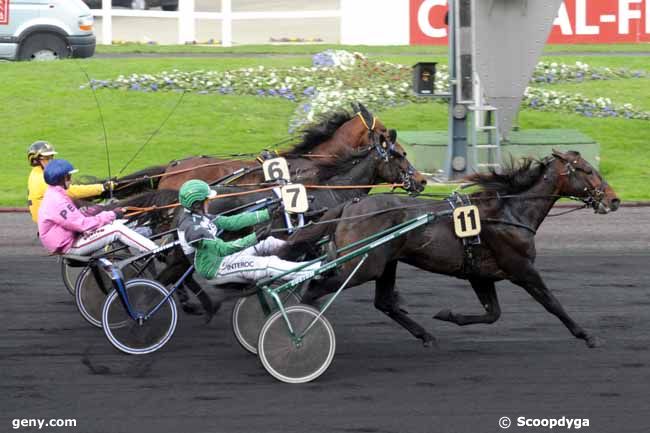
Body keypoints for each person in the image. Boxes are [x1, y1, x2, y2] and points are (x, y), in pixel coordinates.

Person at [176, 179, 321, 285]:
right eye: (207, 200)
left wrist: (267, 214)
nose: (210, 202)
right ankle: (317, 270)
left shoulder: (199, 216)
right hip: (216, 269)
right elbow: (223, 249)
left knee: (269, 242)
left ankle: (305, 254)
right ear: (196, 204)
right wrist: (254, 238)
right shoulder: (192, 229)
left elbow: (230, 222)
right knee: (268, 264)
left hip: (223, 259)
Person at [37, 159, 157, 256]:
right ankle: (154, 250)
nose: (71, 179)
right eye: (68, 177)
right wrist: (112, 214)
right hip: (69, 246)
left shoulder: (56, 194)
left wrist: (99, 210)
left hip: (70, 238)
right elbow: (82, 225)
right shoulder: (57, 200)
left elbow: (75, 217)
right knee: (116, 229)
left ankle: (145, 245)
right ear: (60, 179)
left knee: (120, 222)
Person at [27, 141, 111, 224]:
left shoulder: (39, 173)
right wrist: (102, 187)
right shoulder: (41, 179)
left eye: (52, 157)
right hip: (51, 221)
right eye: (47, 158)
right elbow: (71, 191)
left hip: (49, 217)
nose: (51, 161)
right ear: (35, 160)